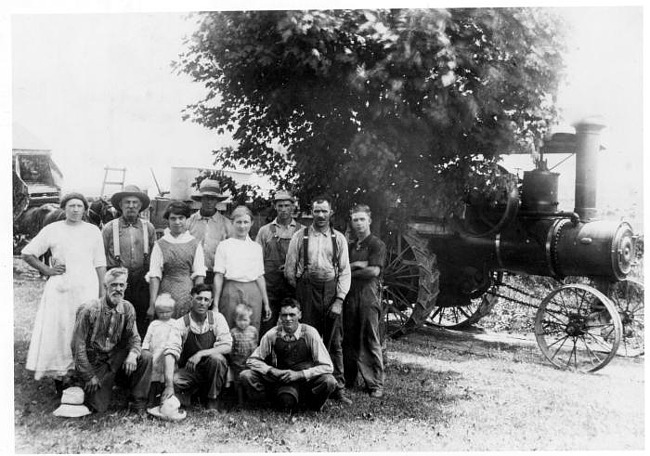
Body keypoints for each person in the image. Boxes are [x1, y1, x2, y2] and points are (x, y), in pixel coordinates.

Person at [21, 192, 106, 393]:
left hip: (87, 286)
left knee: (84, 329)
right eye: (71, 206)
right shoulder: (53, 229)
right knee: (60, 329)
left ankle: (82, 374)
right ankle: (61, 376)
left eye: (79, 206)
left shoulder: (93, 231)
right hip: (61, 288)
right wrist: (47, 270)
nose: (75, 210)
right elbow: (27, 253)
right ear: (64, 208)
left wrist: (102, 291)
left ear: (85, 209)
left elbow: (100, 263)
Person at [284, 194, 352, 404]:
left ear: (331, 213)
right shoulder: (300, 236)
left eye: (324, 211)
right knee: (305, 339)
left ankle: (338, 387)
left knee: (335, 341)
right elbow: (289, 268)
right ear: (310, 212)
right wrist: (302, 291)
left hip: (331, 292)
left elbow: (345, 271)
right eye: (316, 211)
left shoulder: (338, 238)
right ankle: (306, 384)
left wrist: (339, 299)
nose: (320, 215)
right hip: (306, 291)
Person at [70, 268, 153, 413]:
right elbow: (78, 345)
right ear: (105, 287)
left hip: (116, 358)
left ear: (126, 286)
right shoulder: (89, 309)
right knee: (97, 407)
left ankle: (138, 401)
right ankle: (84, 382)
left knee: (145, 357)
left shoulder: (127, 308)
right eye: (114, 285)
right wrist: (88, 375)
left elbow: (134, 338)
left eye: (121, 285)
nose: (118, 289)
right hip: (96, 361)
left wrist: (133, 355)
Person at [239, 298, 338, 412]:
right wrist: (271, 370)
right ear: (280, 316)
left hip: (305, 381)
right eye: (285, 315)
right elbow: (252, 360)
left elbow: (328, 366)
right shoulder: (272, 334)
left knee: (329, 381)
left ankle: (312, 406)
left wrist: (300, 374)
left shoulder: (310, 333)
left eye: (292, 315)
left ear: (299, 315)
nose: (288, 319)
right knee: (246, 375)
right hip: (281, 379)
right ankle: (267, 404)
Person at [162, 284, 232, 411]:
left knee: (217, 359)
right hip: (191, 371)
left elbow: (227, 346)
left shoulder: (217, 318)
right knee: (175, 380)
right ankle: (190, 396)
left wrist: (200, 354)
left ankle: (212, 400)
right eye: (199, 299)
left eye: (206, 300)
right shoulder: (181, 323)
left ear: (211, 302)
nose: (202, 303)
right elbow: (170, 353)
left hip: (212, 370)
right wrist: (169, 385)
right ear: (191, 300)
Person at [343, 204, 387, 398]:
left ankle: (375, 384)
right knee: (349, 336)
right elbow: (343, 268)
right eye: (355, 220)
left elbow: (374, 271)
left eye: (362, 219)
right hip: (351, 295)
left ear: (369, 220)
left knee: (370, 337)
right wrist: (356, 264)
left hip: (369, 295)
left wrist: (351, 269)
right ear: (351, 223)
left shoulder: (376, 244)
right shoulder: (351, 246)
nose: (359, 223)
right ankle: (349, 378)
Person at [103, 184, 156, 339]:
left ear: (140, 206)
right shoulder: (109, 228)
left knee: (141, 317)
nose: (131, 206)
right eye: (127, 202)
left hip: (141, 279)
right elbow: (101, 257)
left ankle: (138, 352)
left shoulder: (149, 228)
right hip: (118, 278)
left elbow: (154, 257)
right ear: (120, 205)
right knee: (117, 316)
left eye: (135, 203)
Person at [213, 205, 272, 332]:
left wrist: (266, 303)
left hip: (253, 291)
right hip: (231, 291)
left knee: (251, 328)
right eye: (238, 222)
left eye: (246, 222)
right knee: (228, 327)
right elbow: (218, 276)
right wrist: (215, 304)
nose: (242, 226)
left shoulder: (256, 247)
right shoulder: (224, 246)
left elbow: (260, 276)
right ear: (232, 223)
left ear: (252, 223)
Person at [255, 190, 304, 335]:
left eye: (287, 205)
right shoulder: (265, 231)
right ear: (275, 206)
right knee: (267, 325)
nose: (283, 209)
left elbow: (304, 260)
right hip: (270, 287)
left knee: (293, 325)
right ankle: (266, 356)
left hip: (293, 286)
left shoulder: (302, 231)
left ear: (293, 207)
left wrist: (292, 268)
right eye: (280, 205)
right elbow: (257, 260)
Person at [148, 201, 206, 319]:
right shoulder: (160, 244)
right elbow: (155, 275)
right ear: (168, 220)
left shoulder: (195, 243)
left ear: (186, 219)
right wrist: (152, 303)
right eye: (173, 218)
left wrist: (198, 300)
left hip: (188, 292)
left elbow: (199, 275)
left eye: (181, 218)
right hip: (165, 293)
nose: (177, 222)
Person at [187, 179, 233, 285]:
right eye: (206, 198)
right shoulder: (189, 222)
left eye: (212, 198)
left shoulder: (227, 224)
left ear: (217, 200)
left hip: (217, 275)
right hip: (193, 274)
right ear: (201, 199)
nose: (209, 202)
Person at [142, 293, 177, 406]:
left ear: (173, 311)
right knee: (154, 378)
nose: (164, 315)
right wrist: (145, 348)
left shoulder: (174, 324)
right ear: (156, 312)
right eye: (161, 312)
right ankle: (151, 400)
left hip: (167, 355)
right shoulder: (154, 324)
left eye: (168, 312)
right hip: (155, 354)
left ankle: (164, 400)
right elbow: (147, 339)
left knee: (165, 377)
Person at [229, 304, 259, 406]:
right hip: (237, 363)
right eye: (240, 320)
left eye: (245, 320)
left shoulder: (253, 330)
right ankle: (239, 402)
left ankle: (250, 400)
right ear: (235, 319)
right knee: (238, 382)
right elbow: (231, 349)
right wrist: (233, 360)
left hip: (250, 361)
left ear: (250, 319)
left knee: (248, 380)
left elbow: (255, 344)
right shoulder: (233, 332)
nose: (242, 323)